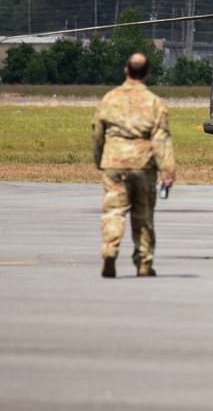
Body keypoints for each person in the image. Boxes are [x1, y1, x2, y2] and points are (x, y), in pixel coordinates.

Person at [91, 52, 175, 278]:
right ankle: (144, 263)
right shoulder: (154, 102)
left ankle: (110, 251)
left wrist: (100, 160)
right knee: (143, 215)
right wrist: (167, 171)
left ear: (126, 70)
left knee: (113, 212)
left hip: (114, 165)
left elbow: (97, 133)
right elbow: (161, 139)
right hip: (143, 166)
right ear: (147, 73)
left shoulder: (110, 98)